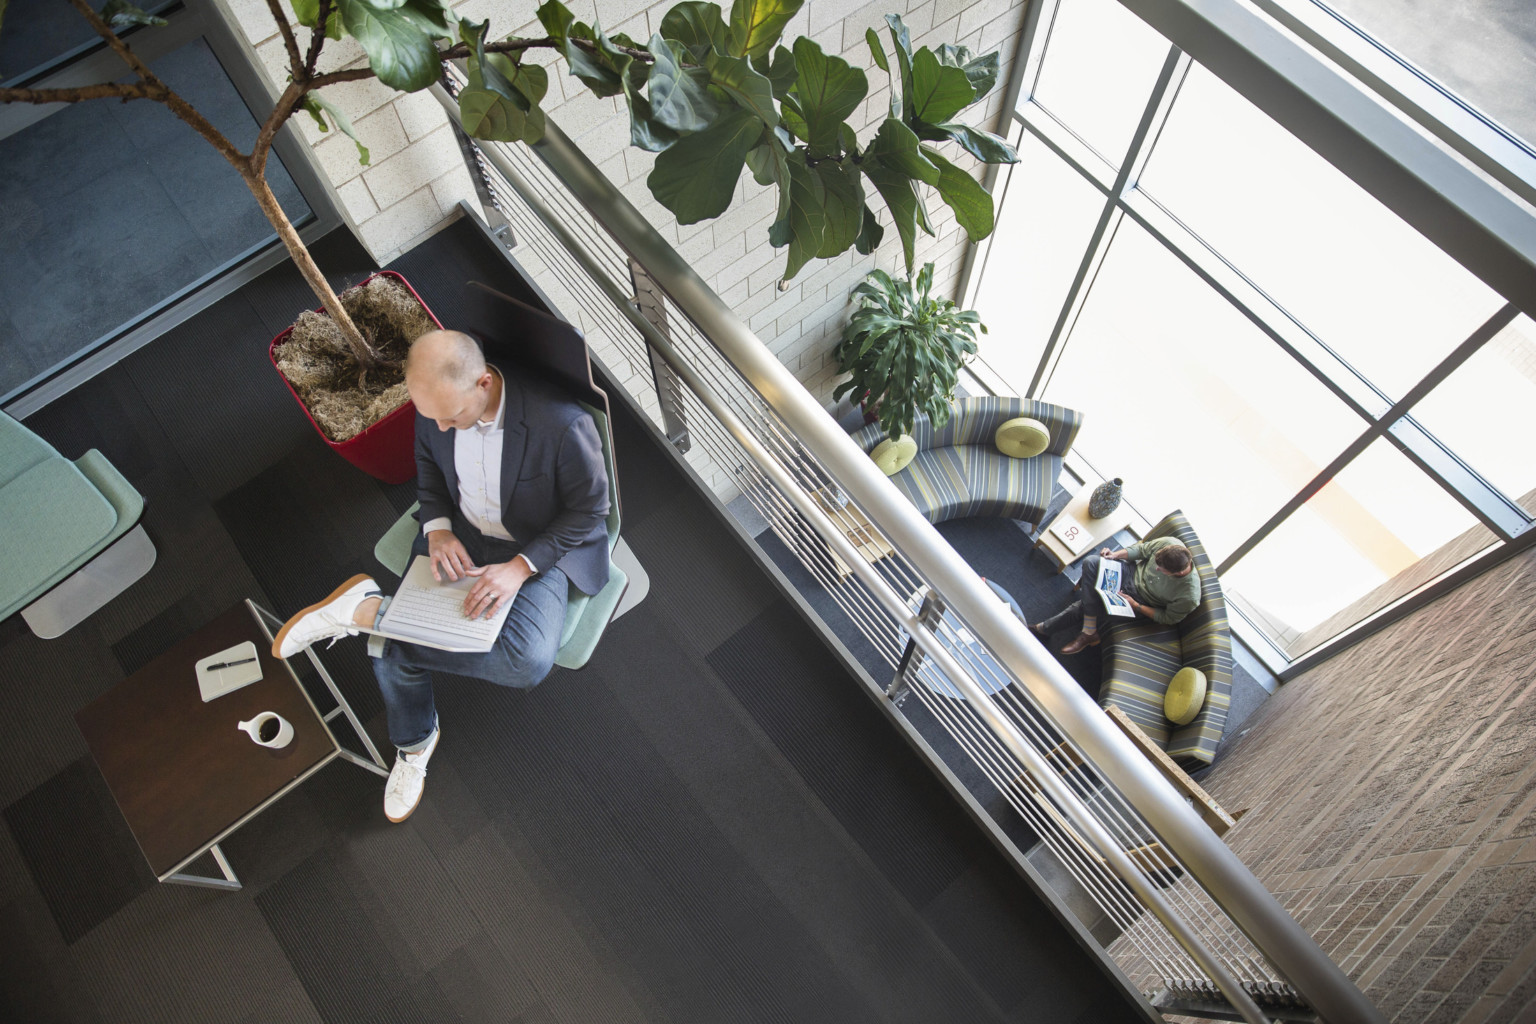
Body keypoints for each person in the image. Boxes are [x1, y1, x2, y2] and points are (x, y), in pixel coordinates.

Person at [270, 329, 610, 822]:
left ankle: (368, 613)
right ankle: (414, 744)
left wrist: (520, 567)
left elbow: (590, 511)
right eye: (432, 418)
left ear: (484, 382)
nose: (442, 428)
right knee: (396, 645)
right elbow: (429, 469)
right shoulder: (436, 408)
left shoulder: (561, 425)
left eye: (451, 417)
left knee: (526, 662)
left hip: (535, 546)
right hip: (460, 533)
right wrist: (437, 530)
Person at [1032, 538, 1200, 655]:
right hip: (1128, 573)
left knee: (1085, 607)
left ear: (1176, 573)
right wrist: (1115, 555)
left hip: (1140, 602)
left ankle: (1042, 629)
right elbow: (1141, 550)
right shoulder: (1171, 544)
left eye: (1161, 569)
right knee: (1091, 562)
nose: (1156, 569)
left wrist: (1135, 605)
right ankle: (1090, 630)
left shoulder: (1189, 596)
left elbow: (1167, 618)